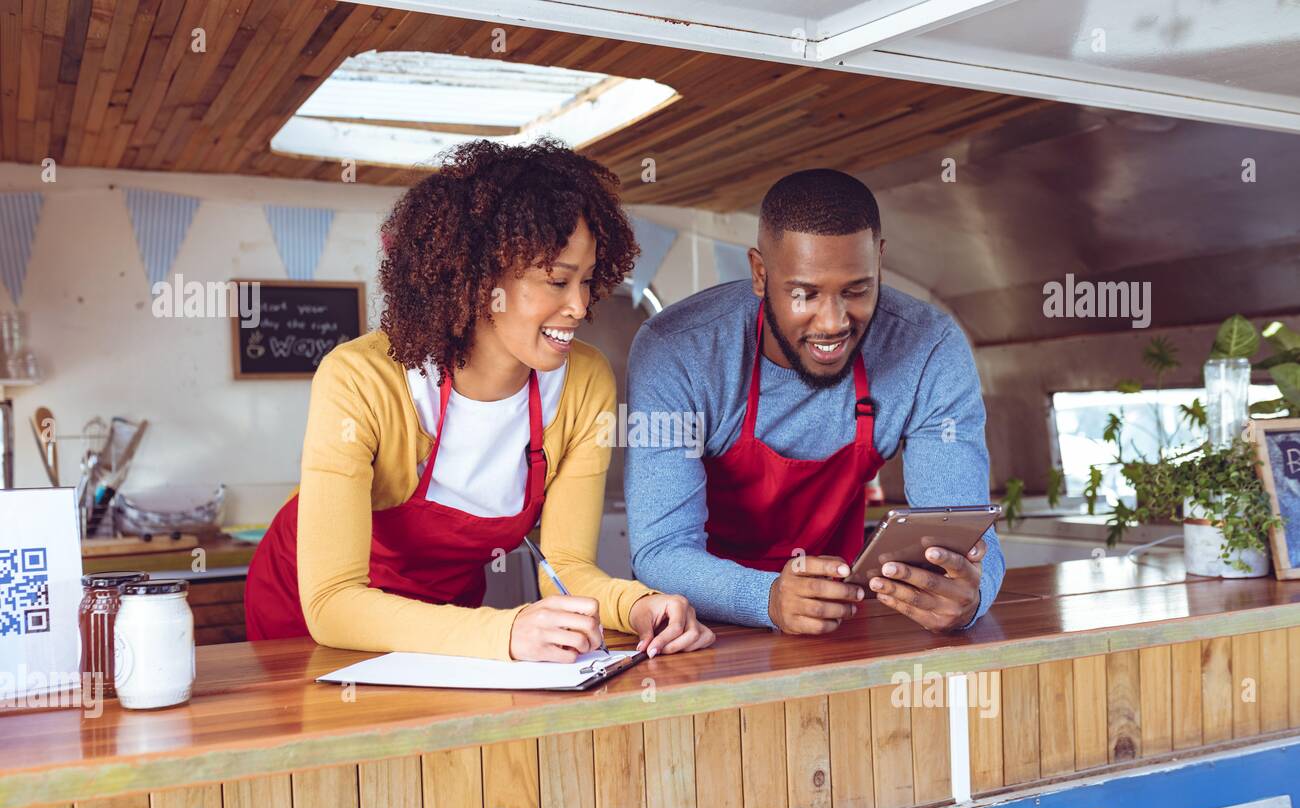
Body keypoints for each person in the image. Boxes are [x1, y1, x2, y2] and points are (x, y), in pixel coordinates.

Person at [244, 138, 714, 661]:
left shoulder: (585, 382)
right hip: (307, 620)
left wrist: (640, 605)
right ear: (478, 278)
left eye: (587, 280)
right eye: (557, 280)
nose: (580, 305)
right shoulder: (359, 379)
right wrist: (505, 634)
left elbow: (566, 570)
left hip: (450, 620)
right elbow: (332, 602)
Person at [625, 168, 1004, 635]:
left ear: (880, 262)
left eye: (857, 290)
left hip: (836, 620)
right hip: (699, 630)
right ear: (761, 274)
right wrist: (766, 598)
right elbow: (660, 549)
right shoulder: (678, 350)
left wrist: (971, 596)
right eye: (805, 293)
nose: (833, 322)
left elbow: (960, 524)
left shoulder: (929, 347)